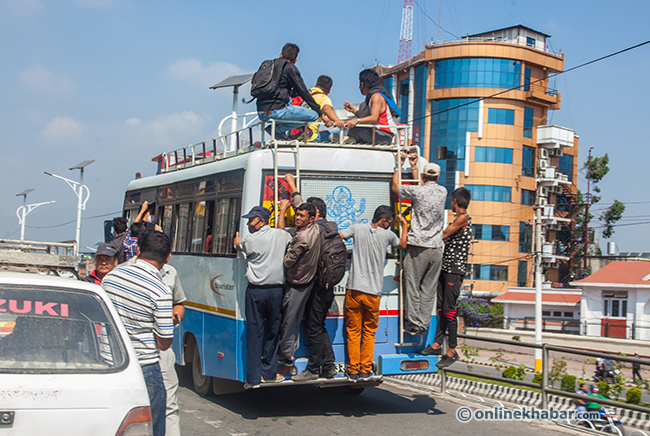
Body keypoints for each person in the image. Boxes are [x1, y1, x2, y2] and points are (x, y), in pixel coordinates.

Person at [102, 231, 174, 436]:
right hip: (145, 367)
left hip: (110, 361)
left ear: (139, 250)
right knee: (151, 426)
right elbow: (164, 342)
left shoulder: (112, 277)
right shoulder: (160, 290)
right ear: (168, 257)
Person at [280, 175, 341, 382]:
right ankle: (330, 365)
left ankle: (313, 368)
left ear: (313, 216)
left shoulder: (314, 229)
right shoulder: (332, 227)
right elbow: (300, 205)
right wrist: (293, 186)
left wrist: (292, 187)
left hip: (315, 285)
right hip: (328, 285)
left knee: (313, 326)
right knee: (319, 325)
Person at [340, 206, 408, 381]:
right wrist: (405, 226)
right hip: (373, 293)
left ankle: (353, 370)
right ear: (384, 220)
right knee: (369, 332)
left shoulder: (356, 228)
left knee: (353, 331)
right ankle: (365, 369)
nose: (390, 225)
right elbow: (403, 245)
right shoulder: (388, 236)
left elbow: (339, 237)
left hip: (354, 289)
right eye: (390, 222)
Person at [234, 206, 292, 388]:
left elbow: (241, 248)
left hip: (256, 291)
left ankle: (253, 378)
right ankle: (269, 372)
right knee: (273, 332)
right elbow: (285, 235)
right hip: (276, 291)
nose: (249, 223)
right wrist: (283, 211)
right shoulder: (281, 235)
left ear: (260, 220)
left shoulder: (250, 239)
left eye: (251, 220)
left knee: (254, 332)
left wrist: (236, 243)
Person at [391, 153, 447, 336]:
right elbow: (423, 186)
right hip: (436, 248)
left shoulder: (418, 191)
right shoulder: (443, 191)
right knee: (429, 289)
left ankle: (414, 323)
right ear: (438, 177)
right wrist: (415, 167)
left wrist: (400, 165)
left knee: (413, 285)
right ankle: (423, 324)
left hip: (418, 247)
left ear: (423, 176)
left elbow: (396, 187)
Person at [418, 187, 472, 370]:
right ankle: (436, 344)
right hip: (446, 267)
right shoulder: (457, 219)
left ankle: (453, 350)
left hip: (454, 270)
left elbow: (444, 235)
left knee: (449, 310)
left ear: (455, 201)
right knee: (441, 307)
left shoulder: (463, 218)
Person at [278, 203, 321, 377]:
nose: (297, 218)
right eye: (297, 215)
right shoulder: (316, 229)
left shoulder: (302, 236)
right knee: (294, 318)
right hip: (308, 280)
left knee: (289, 319)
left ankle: (287, 353)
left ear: (311, 218)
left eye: (301, 216)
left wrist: (282, 256)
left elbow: (289, 261)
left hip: (297, 282)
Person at [256, 43, 322, 139]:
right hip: (277, 111)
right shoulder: (289, 67)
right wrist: (320, 112)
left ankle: (279, 133)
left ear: (280, 55)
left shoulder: (267, 65)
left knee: (288, 103)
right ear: (295, 60)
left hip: (261, 112)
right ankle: (277, 130)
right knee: (313, 115)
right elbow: (303, 91)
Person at [343, 69, 399, 145]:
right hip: (379, 134)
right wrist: (353, 110)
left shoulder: (376, 96)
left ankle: (347, 140)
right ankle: (349, 140)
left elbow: (373, 118)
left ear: (362, 84)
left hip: (383, 135)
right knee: (350, 128)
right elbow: (367, 117)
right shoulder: (377, 95)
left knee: (355, 129)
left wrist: (357, 120)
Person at [305, 75, 345, 142]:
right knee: (339, 131)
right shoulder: (323, 98)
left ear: (316, 84)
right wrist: (337, 120)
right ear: (329, 90)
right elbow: (327, 108)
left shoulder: (306, 94)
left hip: (294, 133)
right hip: (310, 137)